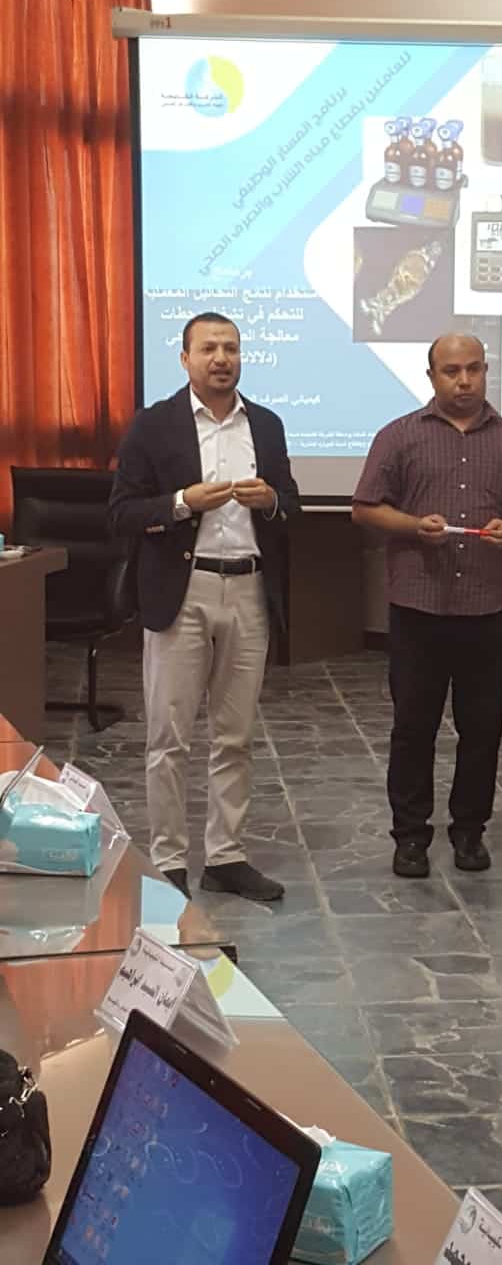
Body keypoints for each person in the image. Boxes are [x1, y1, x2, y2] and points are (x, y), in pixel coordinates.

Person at [109, 312, 300, 902]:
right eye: (209, 348)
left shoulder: (265, 424)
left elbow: (290, 504)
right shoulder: (154, 425)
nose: (222, 358)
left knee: (235, 736)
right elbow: (120, 513)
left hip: (248, 590)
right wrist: (181, 502)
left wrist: (272, 501)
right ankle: (168, 861)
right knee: (169, 738)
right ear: (185, 358)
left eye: (231, 348)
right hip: (182, 592)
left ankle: (226, 857)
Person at [352, 333, 502, 878]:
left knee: (482, 727)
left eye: (473, 369)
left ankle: (470, 832)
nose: (464, 381)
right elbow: (365, 508)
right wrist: (412, 526)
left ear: (486, 371)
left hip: (487, 609)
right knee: (413, 727)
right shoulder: (398, 437)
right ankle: (410, 836)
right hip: (418, 608)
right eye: (451, 371)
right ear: (431, 376)